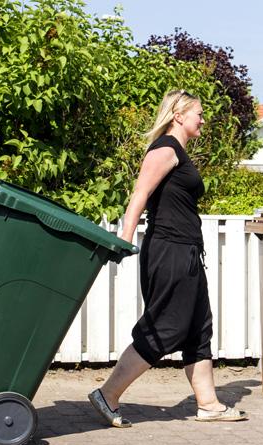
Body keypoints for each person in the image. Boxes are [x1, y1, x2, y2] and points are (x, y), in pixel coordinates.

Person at [88, 90, 248, 427]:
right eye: (199, 114)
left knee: (198, 327)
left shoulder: (179, 153)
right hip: (170, 250)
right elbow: (140, 195)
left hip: (187, 251)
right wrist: (124, 239)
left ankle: (208, 404)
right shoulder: (165, 149)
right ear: (178, 115)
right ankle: (108, 394)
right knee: (166, 325)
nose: (203, 119)